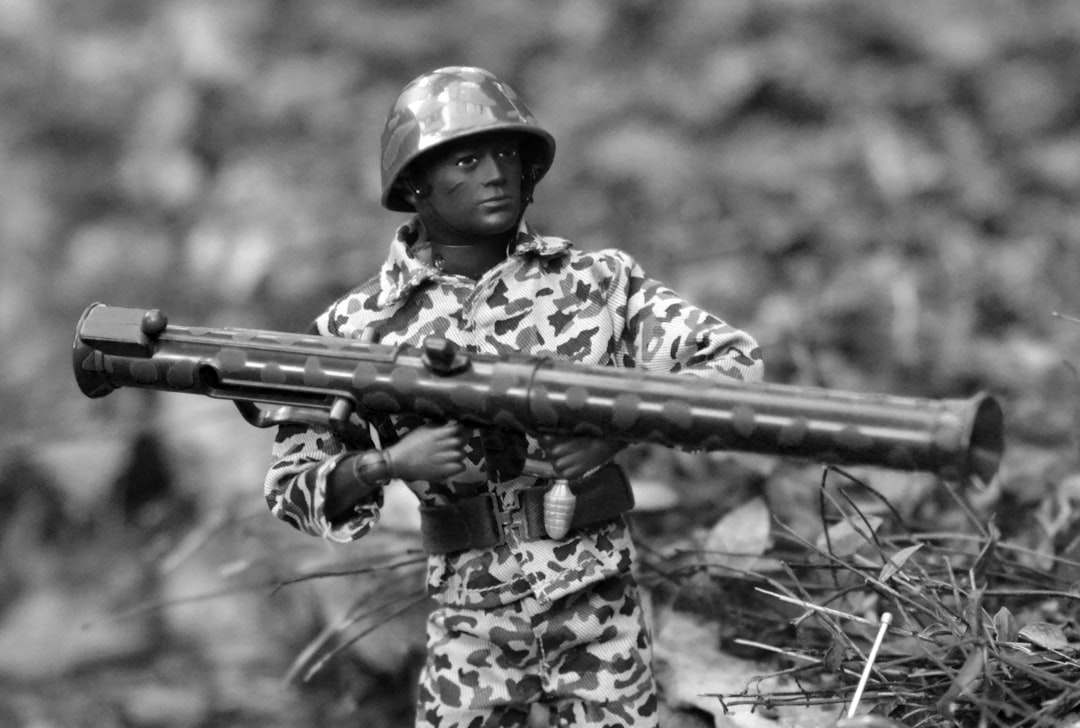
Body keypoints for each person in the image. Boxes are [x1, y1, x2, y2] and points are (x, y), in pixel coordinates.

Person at [264, 66, 763, 727]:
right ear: (415, 182)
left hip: (595, 608)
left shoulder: (597, 284)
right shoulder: (357, 329)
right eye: (468, 160)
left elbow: (734, 365)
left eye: (506, 155)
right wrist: (388, 464)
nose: (495, 175)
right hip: (470, 623)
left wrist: (618, 430)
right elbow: (291, 484)